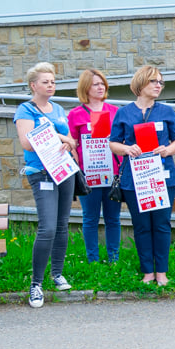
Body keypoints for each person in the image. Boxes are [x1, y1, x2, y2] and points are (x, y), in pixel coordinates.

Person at [109, 66, 175, 286]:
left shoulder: (167, 111)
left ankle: (161, 271)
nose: (158, 85)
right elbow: (113, 142)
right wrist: (126, 149)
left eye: (161, 82)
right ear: (141, 83)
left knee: (161, 224)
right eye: (154, 81)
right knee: (142, 225)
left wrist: (168, 150)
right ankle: (147, 272)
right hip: (135, 179)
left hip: (162, 175)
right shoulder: (124, 113)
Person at [14, 62, 78, 307]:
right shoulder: (25, 110)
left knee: (62, 225)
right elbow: (27, 143)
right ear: (33, 85)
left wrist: (68, 142)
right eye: (45, 82)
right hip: (41, 173)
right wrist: (60, 136)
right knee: (48, 227)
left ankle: (57, 274)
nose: (50, 85)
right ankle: (36, 284)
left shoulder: (59, 108)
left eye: (53, 81)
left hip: (64, 170)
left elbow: (71, 139)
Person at [67, 69, 121, 264]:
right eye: (95, 84)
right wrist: (78, 167)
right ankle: (93, 261)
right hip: (89, 175)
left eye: (102, 83)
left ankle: (114, 259)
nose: (100, 87)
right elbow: (72, 142)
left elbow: (123, 139)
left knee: (113, 218)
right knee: (90, 218)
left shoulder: (115, 111)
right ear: (85, 88)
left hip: (113, 173)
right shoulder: (75, 114)